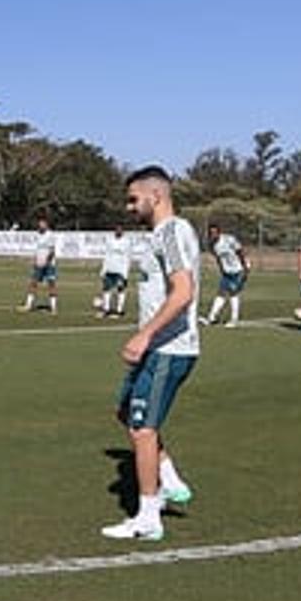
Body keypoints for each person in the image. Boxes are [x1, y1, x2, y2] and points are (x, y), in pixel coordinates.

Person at [102, 166, 201, 542]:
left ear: (155, 196)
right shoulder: (159, 235)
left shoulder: (173, 232)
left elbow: (183, 291)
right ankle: (170, 478)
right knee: (126, 412)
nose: (129, 207)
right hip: (157, 346)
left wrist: (145, 335)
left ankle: (147, 517)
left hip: (169, 349)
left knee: (144, 430)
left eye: (133, 199)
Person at [201, 222, 246, 327]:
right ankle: (211, 318)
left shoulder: (229, 240)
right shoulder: (212, 245)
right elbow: (219, 259)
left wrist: (244, 268)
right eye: (211, 233)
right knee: (220, 294)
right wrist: (222, 270)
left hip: (237, 270)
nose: (213, 235)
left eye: (215, 233)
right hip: (226, 273)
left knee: (233, 293)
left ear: (219, 232)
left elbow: (240, 251)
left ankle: (234, 320)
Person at [21, 213, 59, 314]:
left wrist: (46, 261)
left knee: (51, 284)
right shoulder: (37, 235)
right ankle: (28, 305)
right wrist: (35, 260)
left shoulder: (50, 235)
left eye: (43, 223)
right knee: (33, 283)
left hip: (49, 265)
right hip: (38, 264)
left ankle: (53, 307)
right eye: (40, 223)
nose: (41, 225)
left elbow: (52, 251)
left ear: (46, 224)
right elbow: (37, 250)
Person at [96, 225, 130, 318]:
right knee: (106, 289)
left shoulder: (126, 242)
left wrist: (125, 273)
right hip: (109, 268)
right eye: (117, 230)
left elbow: (127, 257)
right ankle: (106, 310)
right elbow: (107, 255)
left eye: (120, 230)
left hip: (120, 270)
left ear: (123, 232)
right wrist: (103, 270)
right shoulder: (110, 241)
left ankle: (119, 311)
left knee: (120, 289)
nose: (118, 231)